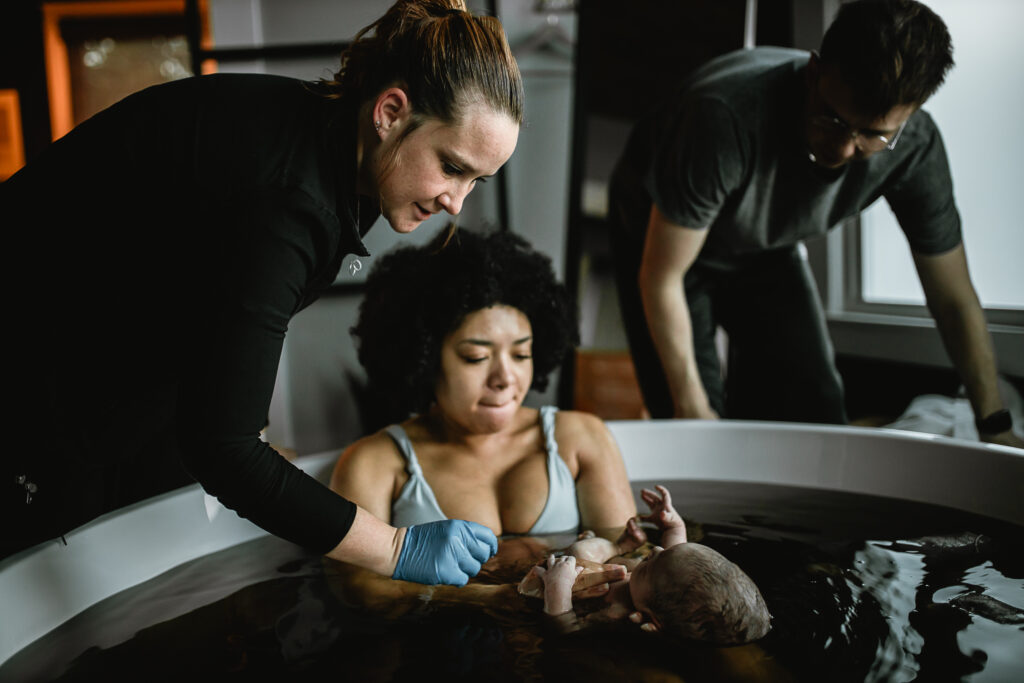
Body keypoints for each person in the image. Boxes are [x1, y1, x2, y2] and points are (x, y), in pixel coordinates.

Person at [2, 0, 523, 585]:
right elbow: (221, 447)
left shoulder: (340, 148)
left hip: (117, 369)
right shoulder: (288, 198)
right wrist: (395, 548)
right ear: (391, 111)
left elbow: (221, 317)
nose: (458, 202)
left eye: (477, 179)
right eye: (452, 166)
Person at [608, 0, 1022, 448]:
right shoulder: (723, 116)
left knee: (817, 414)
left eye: (872, 135)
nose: (845, 149)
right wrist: (691, 408)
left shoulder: (915, 149)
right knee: (692, 426)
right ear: (813, 72)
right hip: (660, 241)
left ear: (912, 113)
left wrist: (994, 424)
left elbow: (953, 299)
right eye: (833, 118)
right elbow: (661, 277)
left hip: (763, 244)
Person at [330, 228, 638, 540]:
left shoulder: (581, 438)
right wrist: (495, 593)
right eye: (476, 357)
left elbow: (630, 559)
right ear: (425, 360)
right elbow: (357, 587)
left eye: (520, 354)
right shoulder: (373, 464)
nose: (505, 378)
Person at [522, 485, 772, 645]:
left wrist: (559, 587)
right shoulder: (665, 580)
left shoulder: (615, 614)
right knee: (590, 552)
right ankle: (619, 547)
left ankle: (615, 547)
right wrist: (673, 525)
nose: (656, 549)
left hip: (574, 581)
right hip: (611, 564)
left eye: (653, 563)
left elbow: (566, 631)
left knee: (580, 551)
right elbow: (675, 556)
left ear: (652, 622)